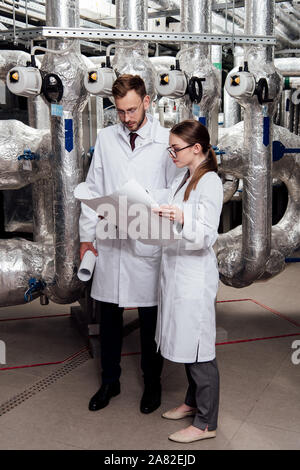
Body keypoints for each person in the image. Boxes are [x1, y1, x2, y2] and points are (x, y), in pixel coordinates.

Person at [79, 74, 178, 414]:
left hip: (148, 243)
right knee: (109, 316)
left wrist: (148, 204)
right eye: (120, 112)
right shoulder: (107, 138)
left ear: (147, 102)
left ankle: (153, 383)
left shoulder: (167, 140)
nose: (127, 118)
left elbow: (176, 189)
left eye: (132, 110)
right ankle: (110, 381)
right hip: (112, 241)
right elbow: (93, 189)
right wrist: (85, 239)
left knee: (151, 319)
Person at [152, 119, 223, 443]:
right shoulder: (186, 177)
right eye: (170, 148)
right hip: (178, 271)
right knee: (186, 343)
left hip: (195, 277)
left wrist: (182, 217)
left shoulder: (209, 182)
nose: (171, 154)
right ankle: (193, 403)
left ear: (196, 148)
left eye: (175, 148)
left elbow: (207, 234)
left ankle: (206, 423)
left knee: (199, 350)